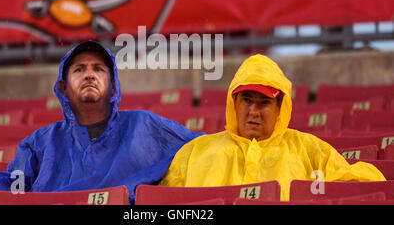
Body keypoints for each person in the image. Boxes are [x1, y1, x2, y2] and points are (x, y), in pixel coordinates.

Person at [0, 40, 202, 204]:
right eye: (79, 69)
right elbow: (9, 187)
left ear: (114, 85)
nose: (89, 75)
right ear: (63, 88)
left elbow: (203, 149)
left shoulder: (145, 126)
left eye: (98, 69)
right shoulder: (39, 143)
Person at [159, 54, 386, 201]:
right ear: (233, 104)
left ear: (280, 108)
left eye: (264, 102)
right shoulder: (195, 151)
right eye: (246, 100)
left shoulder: (309, 151)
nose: (253, 111)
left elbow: (364, 187)